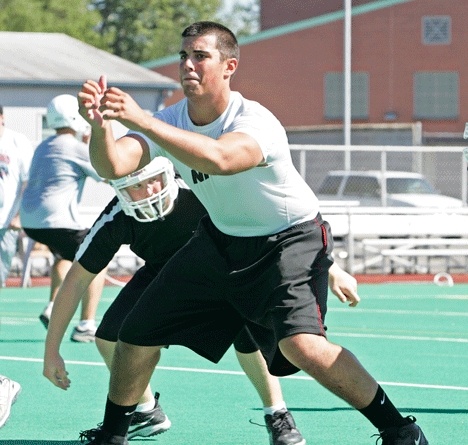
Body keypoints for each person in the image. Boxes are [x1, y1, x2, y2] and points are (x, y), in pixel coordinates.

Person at [77, 22, 428, 445]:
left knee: (302, 347)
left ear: (229, 66)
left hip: (288, 240)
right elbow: (114, 166)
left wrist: (143, 121)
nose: (188, 65)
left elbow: (221, 159)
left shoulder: (254, 120)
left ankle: (400, 430)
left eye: (200, 56)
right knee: (135, 333)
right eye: (184, 56)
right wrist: (100, 126)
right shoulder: (170, 120)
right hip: (219, 241)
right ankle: (113, 436)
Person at [43, 156, 360, 445]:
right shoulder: (116, 217)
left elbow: (273, 222)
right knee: (109, 337)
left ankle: (277, 414)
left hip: (225, 265)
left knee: (246, 338)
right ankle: (145, 412)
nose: (147, 191)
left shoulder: (202, 191)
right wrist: (51, 349)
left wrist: (332, 269)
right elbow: (76, 280)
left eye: (152, 180)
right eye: (134, 186)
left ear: (168, 172)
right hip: (163, 272)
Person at [19, 94, 107, 342]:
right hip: (57, 220)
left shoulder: (42, 146)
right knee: (100, 255)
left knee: (65, 255)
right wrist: (93, 144)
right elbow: (107, 172)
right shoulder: (75, 147)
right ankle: (86, 325)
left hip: (31, 221)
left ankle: (51, 307)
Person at [0, 104, 34, 287]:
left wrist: (20, 215)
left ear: (2, 117)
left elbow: (29, 181)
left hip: (7, 221)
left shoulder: (17, 141)